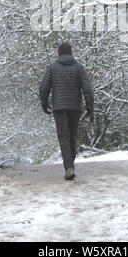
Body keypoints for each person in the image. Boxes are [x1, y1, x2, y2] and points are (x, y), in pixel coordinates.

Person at [39, 42, 94, 180]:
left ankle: (69, 167)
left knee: (63, 137)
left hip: (59, 108)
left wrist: (44, 105)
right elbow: (88, 90)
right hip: (75, 108)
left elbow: (43, 88)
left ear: (59, 53)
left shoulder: (52, 68)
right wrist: (90, 109)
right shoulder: (79, 68)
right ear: (70, 53)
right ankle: (70, 165)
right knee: (72, 137)